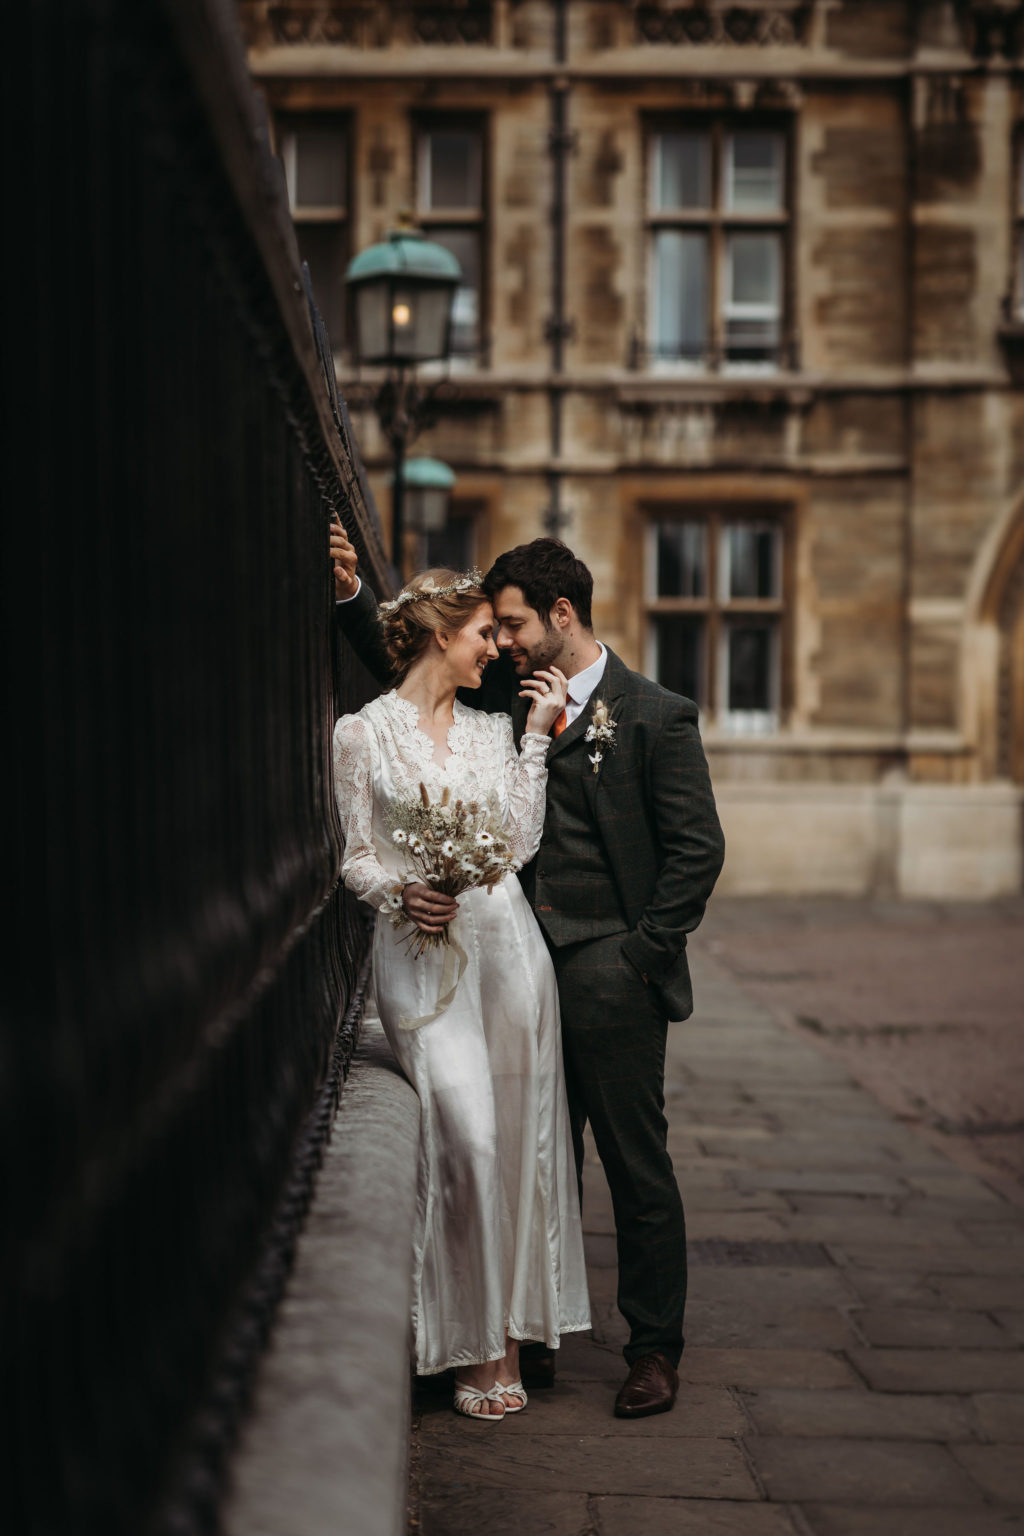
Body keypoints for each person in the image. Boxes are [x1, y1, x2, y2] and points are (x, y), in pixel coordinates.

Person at [332, 526, 725, 1419]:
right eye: (493, 630)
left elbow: (697, 853)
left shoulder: (658, 713)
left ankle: (653, 1349)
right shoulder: (505, 699)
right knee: (532, 1150)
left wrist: (641, 957)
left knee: (634, 1162)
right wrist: (356, 595)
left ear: (560, 614)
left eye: (512, 625)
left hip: (609, 970)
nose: (501, 642)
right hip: (507, 963)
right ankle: (530, 1331)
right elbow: (415, 672)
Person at [332, 567, 591, 1422]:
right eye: (486, 633)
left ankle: (502, 1342)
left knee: (519, 1146)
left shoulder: (492, 728)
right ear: (443, 634)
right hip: (419, 958)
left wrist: (538, 737)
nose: (499, 647)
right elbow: (355, 856)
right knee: (470, 1140)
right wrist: (397, 893)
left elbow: (515, 843)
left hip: (509, 954)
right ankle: (458, 1335)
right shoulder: (361, 734)